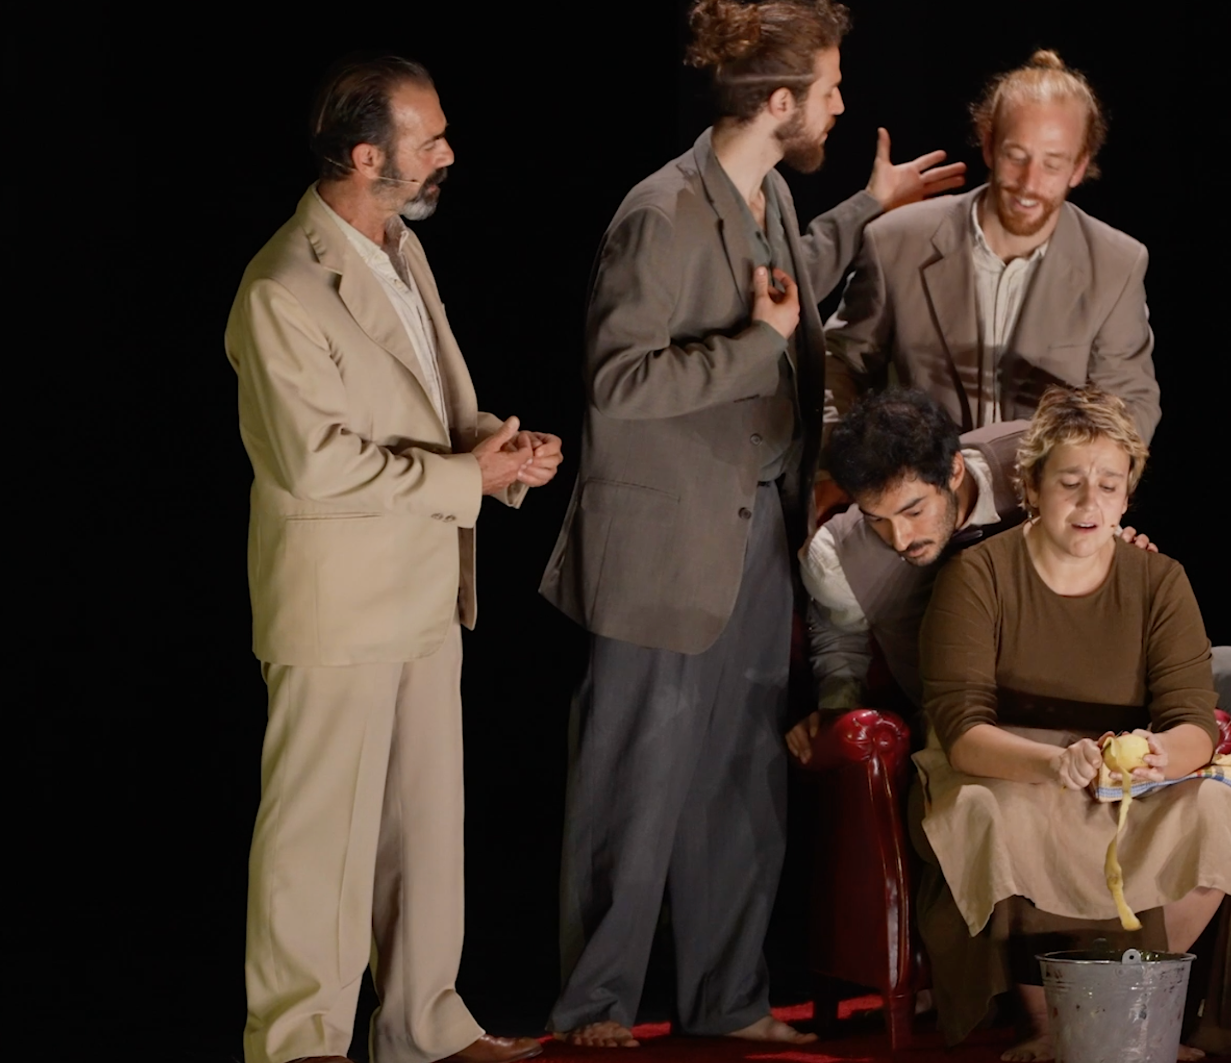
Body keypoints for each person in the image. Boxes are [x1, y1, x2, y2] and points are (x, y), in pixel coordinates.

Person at [537, 0, 964, 1048]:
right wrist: (758, 345)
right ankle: (595, 1005)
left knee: (738, 781)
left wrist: (867, 206)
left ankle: (727, 998)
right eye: (829, 88)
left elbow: (790, 278)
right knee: (634, 781)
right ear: (779, 102)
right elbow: (618, 381)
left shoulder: (766, 190)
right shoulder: (660, 213)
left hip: (752, 536)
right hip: (663, 549)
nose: (839, 104)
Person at [226, 55, 561, 1063]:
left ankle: (423, 1024)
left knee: (423, 827)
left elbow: (426, 405)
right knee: (316, 840)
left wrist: (497, 450)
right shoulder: (281, 287)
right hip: (336, 607)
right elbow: (315, 463)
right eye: (430, 139)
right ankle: (299, 1041)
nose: (447, 153)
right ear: (367, 156)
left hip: (420, 589)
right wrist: (464, 477)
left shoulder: (401, 250)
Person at [911, 386, 1231, 1060]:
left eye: (1108, 484)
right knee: (1001, 811)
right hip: (1009, 762)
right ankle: (1048, 1026)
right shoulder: (977, 576)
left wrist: (1162, 753)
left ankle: (1133, 1015)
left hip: (1119, 773)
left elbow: (1193, 720)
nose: (1089, 503)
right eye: (1070, 482)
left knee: (1221, 805)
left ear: (1127, 495)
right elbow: (961, 729)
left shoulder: (1159, 580)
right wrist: (1052, 763)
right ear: (1032, 487)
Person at [784, 387, 1231, 778]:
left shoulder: (1030, 457)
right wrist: (834, 708)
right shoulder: (837, 557)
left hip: (1100, 671)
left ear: (954, 471)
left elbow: (1095, 508)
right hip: (981, 703)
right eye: (876, 518)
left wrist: (1120, 552)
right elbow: (838, 641)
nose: (899, 537)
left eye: (914, 511)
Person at [822, 50, 1160, 447]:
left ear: (1079, 167)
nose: (1029, 183)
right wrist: (838, 465)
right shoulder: (895, 241)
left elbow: (1131, 405)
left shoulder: (1117, 264)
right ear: (988, 146)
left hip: (1043, 487)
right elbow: (837, 363)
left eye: (1052, 164)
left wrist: (1084, 456)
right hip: (916, 485)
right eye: (1016, 156)